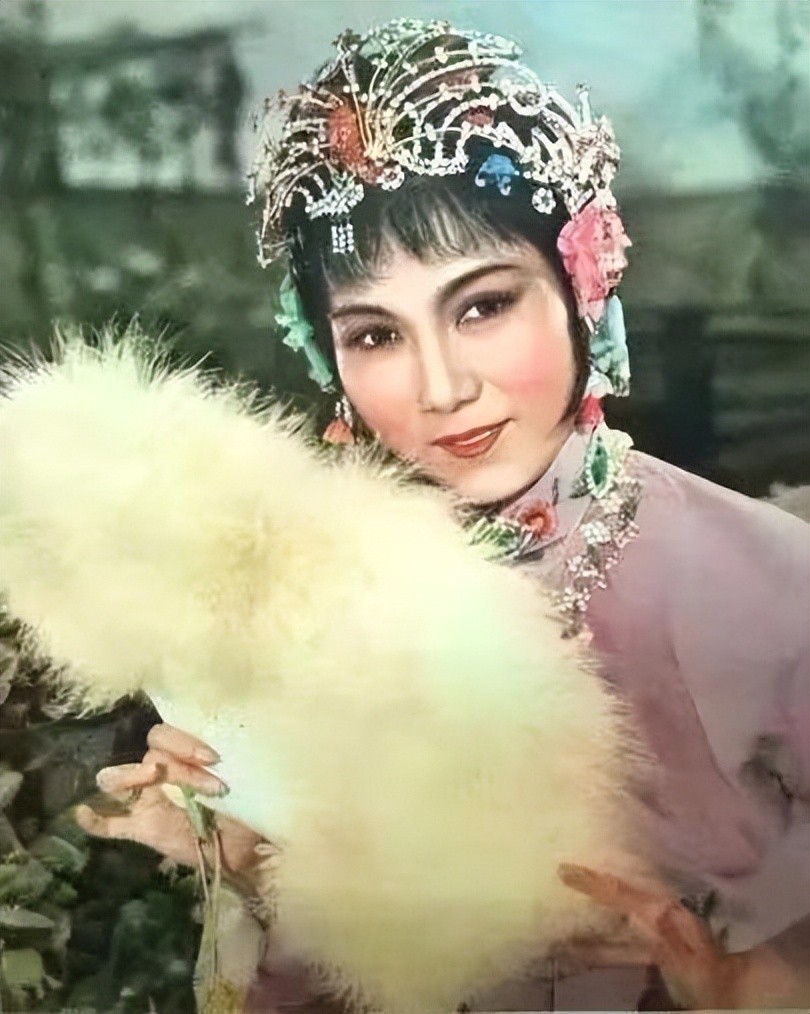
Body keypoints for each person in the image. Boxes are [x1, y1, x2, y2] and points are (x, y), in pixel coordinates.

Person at [75, 18, 809, 1011]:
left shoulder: (763, 583)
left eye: (482, 306)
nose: (441, 388)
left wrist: (753, 986)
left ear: (582, 290)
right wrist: (247, 854)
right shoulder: (307, 604)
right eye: (376, 335)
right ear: (325, 357)